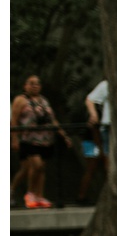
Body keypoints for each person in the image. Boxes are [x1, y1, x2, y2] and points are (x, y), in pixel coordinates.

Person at [10, 74, 71, 209]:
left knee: (40, 168)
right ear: (25, 86)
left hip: (45, 140)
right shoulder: (20, 100)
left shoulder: (44, 101)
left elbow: (52, 119)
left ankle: (39, 195)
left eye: (37, 83)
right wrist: (14, 139)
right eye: (31, 83)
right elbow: (13, 120)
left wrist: (63, 135)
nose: (34, 86)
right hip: (29, 140)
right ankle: (27, 193)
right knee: (34, 166)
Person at [77, 79, 110, 204]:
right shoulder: (94, 113)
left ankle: (83, 195)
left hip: (97, 141)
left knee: (95, 169)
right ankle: (81, 196)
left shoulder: (101, 110)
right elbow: (94, 131)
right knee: (91, 168)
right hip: (91, 142)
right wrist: (100, 149)